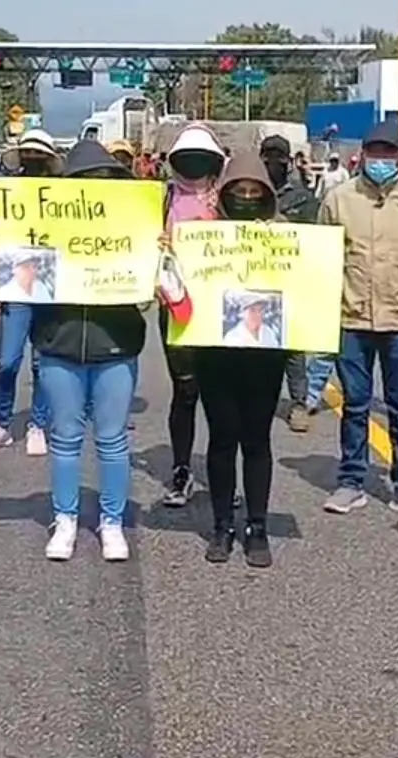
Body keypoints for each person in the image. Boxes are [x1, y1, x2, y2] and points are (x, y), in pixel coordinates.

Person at [318, 119, 398, 522]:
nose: (381, 160)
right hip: (351, 317)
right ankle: (351, 481)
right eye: (375, 153)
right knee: (354, 404)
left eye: (389, 153)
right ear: (363, 154)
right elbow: (325, 254)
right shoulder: (338, 200)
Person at [33, 140, 144, 562]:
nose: (94, 188)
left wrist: (162, 251)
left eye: (104, 180)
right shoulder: (47, 223)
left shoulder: (136, 224)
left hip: (116, 343)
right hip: (59, 342)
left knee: (113, 439)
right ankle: (65, 519)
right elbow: (8, 282)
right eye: (84, 181)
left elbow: (161, 285)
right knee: (64, 439)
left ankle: (111, 522)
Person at [185, 151, 292, 566]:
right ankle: (222, 525)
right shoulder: (201, 234)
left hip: (266, 352)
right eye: (238, 191)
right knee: (222, 437)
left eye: (254, 191)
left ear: (266, 194)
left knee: (257, 439)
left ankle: (258, 527)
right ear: (224, 193)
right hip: (215, 352)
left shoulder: (284, 235)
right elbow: (177, 284)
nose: (246, 197)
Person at [0, 130, 59, 456]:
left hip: (51, 284)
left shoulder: (62, 194)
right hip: (15, 284)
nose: (33, 161)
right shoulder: (5, 194)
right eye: (28, 155)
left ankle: (38, 423)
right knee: (7, 362)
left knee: (42, 362)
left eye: (39, 156)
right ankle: (1, 424)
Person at [158, 124, 226, 507]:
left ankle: (222, 475)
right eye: (187, 159)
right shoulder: (162, 199)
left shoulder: (225, 199)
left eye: (201, 159)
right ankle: (181, 470)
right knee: (184, 392)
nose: (194, 166)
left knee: (220, 395)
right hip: (176, 308)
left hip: (219, 313)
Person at [259, 135, 325, 433]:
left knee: (293, 348)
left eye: (278, 157)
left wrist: (284, 223)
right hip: (252, 279)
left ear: (288, 161)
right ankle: (259, 399)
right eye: (267, 157)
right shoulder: (249, 190)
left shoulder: (302, 196)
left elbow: (314, 237)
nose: (272, 163)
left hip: (289, 280)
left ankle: (299, 403)